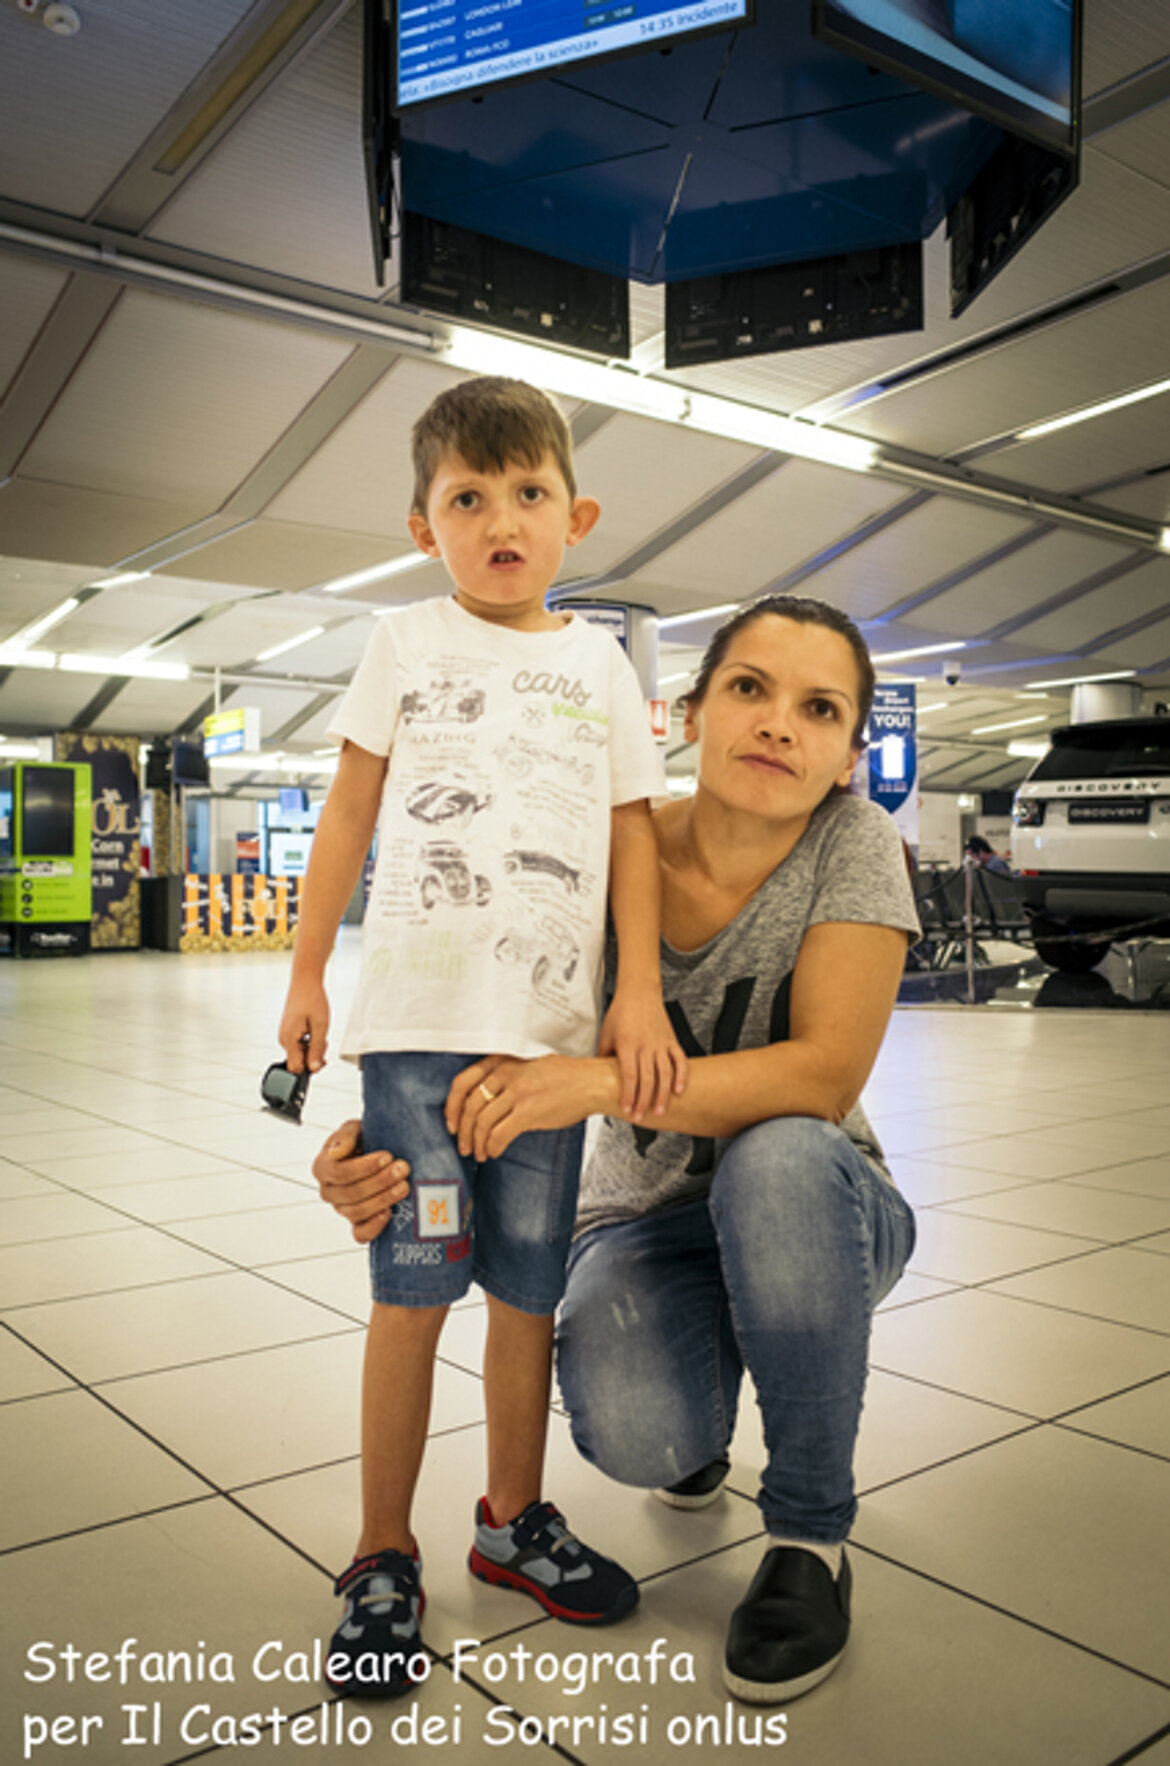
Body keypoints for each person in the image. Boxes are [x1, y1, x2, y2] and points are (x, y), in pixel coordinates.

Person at [313, 594, 921, 1705]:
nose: (780, 722)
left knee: (777, 1156)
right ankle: (710, 1387)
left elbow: (823, 1074)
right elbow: (483, 1016)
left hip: (821, 1205)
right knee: (640, 1424)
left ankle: (808, 1538)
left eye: (819, 708)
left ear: (847, 754)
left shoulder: (855, 843)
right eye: (750, 687)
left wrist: (594, 1079)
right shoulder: (600, 851)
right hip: (642, 1219)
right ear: (687, 713)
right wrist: (378, 1139)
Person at [278, 376, 684, 1697]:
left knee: (521, 1290)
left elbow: (631, 827)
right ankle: (379, 1549)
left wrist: (633, 994)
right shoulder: (403, 646)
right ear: (421, 526)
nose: (499, 518)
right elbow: (346, 814)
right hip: (416, 1035)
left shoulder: (599, 663)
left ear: (578, 513)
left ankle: (512, 1520)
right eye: (467, 497)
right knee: (411, 1291)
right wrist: (305, 969)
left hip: (549, 1042)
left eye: (525, 494)